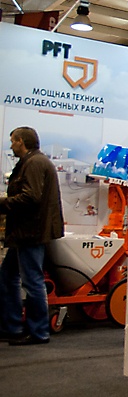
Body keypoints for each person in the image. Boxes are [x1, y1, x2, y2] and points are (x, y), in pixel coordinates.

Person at [0, 127, 64, 345]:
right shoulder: (33, 162)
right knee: (7, 276)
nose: (11, 145)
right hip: (25, 232)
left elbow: (31, 197)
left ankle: (38, 332)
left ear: (21, 141)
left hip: (31, 232)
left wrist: (2, 203)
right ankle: (12, 326)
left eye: (13, 141)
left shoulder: (34, 163)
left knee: (32, 281)